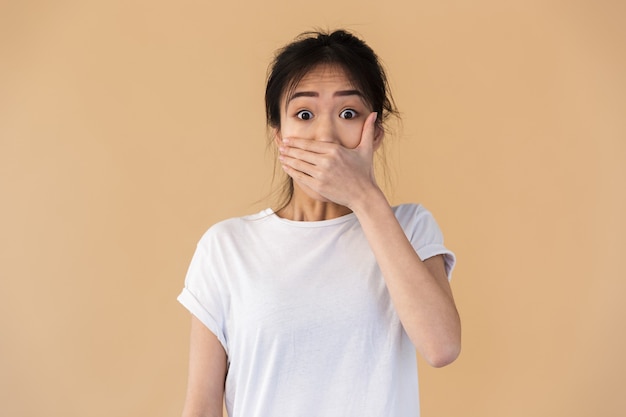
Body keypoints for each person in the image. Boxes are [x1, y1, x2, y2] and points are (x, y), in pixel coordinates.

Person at [178, 29, 461, 417]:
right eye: (304, 114)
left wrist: (363, 196)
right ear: (279, 135)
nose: (325, 135)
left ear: (375, 132)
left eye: (348, 113)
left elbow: (442, 347)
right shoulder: (226, 247)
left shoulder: (410, 228)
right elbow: (202, 406)